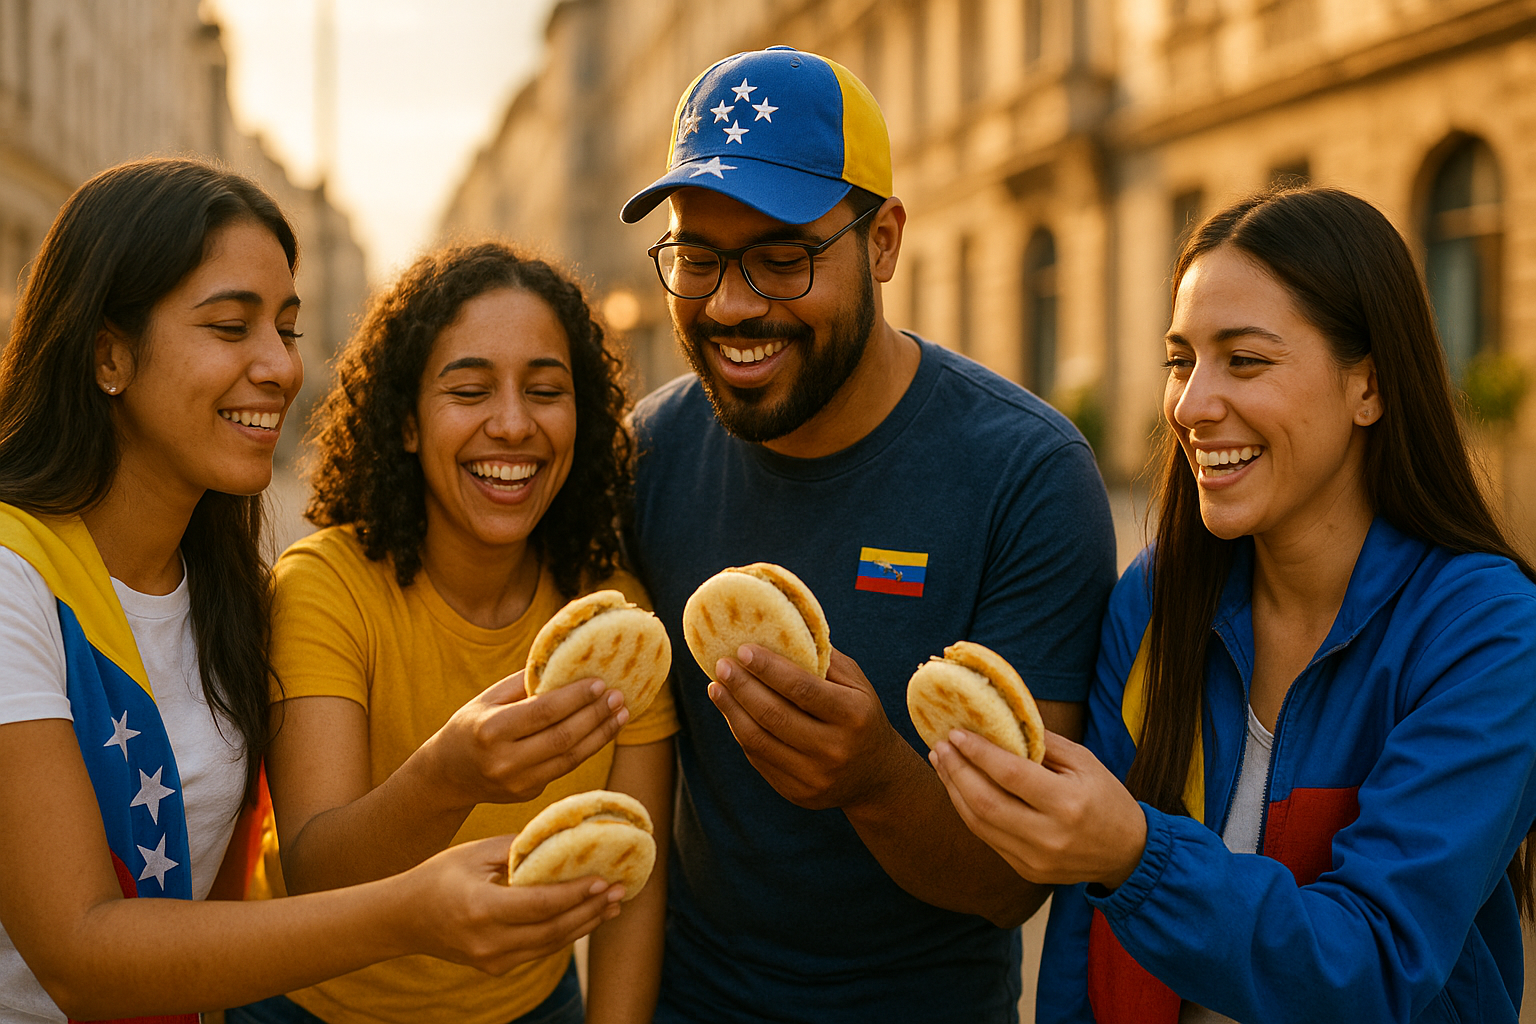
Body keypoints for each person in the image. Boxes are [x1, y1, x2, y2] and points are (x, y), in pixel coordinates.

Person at [0, 160, 629, 1024]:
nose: (280, 368)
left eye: (287, 331)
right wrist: (409, 909)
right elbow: (79, 956)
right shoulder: (13, 581)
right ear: (109, 352)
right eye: (230, 327)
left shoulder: (223, 583)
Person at [930, 187, 1536, 1023]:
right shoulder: (1153, 599)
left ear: (1371, 386)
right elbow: (1080, 952)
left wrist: (1135, 855)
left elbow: (1374, 964)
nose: (1190, 404)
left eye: (1243, 360)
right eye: (1181, 359)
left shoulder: (1486, 631)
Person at [618, 46, 1117, 1022]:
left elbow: (1018, 878)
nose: (730, 304)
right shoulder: (648, 454)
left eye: (781, 257)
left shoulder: (1026, 476)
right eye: (698, 256)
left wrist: (877, 778)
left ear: (883, 242)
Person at [225, 242, 678, 1024]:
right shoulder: (325, 588)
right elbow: (316, 870)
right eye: (469, 390)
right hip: (309, 1006)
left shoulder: (617, 620)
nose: (512, 424)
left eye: (546, 390)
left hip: (534, 1005)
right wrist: (450, 777)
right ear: (405, 421)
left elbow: (634, 882)